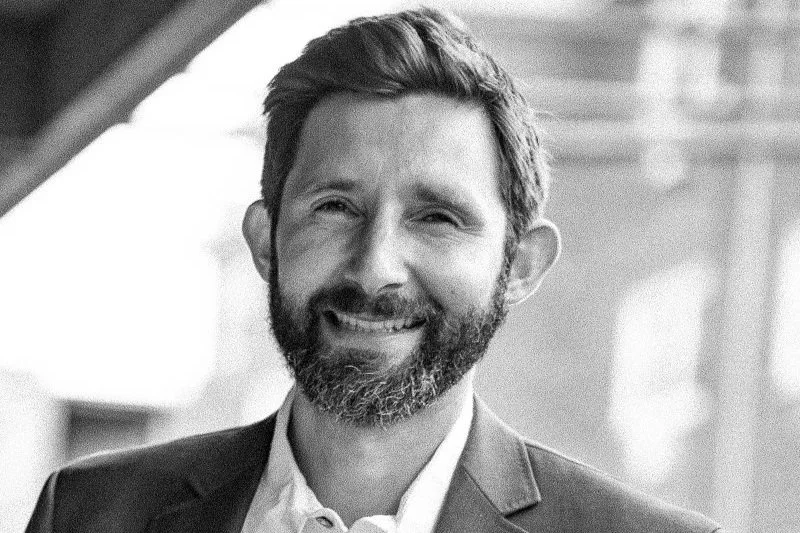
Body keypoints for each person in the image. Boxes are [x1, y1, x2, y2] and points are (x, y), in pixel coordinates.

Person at [26, 8, 725, 533]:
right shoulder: (87, 514)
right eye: (335, 206)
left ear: (519, 266)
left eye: (437, 217)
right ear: (266, 240)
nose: (375, 266)